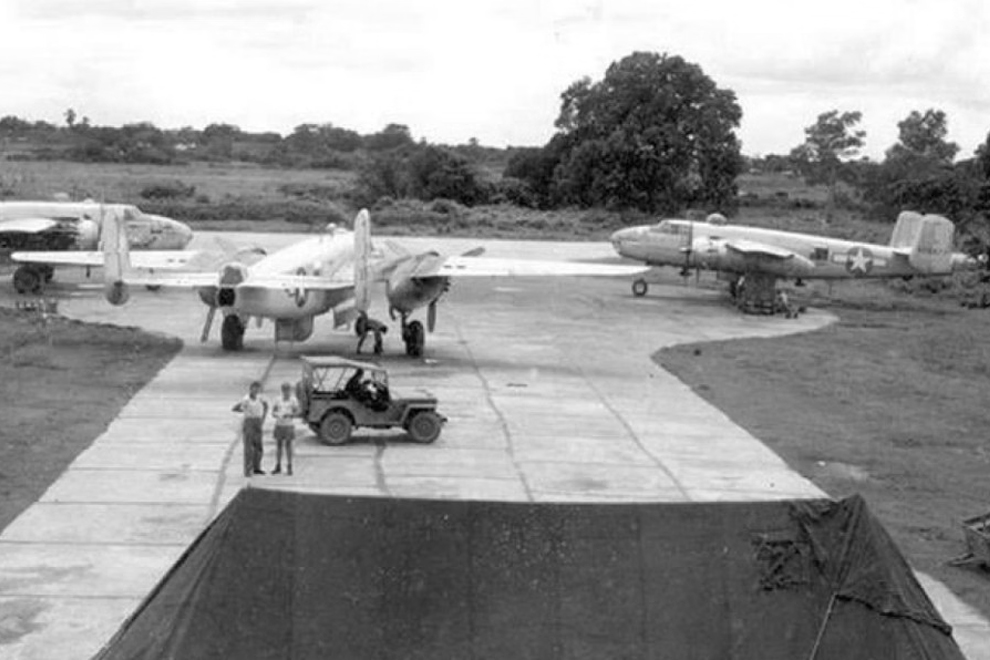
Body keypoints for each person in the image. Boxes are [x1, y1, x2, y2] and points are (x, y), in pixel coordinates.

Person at [232, 381, 268, 477]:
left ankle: (257, 467)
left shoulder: (260, 398)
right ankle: (248, 469)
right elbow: (239, 408)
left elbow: (266, 405)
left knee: (258, 446)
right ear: (250, 389)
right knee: (248, 447)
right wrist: (243, 410)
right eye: (254, 388)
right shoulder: (246, 399)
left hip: (258, 421)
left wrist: (263, 418)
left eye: (258, 389)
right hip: (249, 421)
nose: (256, 391)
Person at [271, 382, 300, 476]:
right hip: (279, 424)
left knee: (288, 446)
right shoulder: (278, 399)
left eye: (288, 390)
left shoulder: (293, 400)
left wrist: (290, 415)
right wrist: (276, 414)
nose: (286, 392)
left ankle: (289, 465)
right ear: (282, 390)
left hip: (288, 425)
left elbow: (298, 412)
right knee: (278, 445)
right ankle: (278, 465)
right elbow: (273, 411)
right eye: (284, 390)